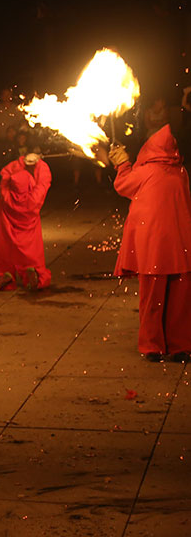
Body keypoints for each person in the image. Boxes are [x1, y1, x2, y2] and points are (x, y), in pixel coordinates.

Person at [100, 122, 191, 362]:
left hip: (154, 247)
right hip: (180, 246)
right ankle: (180, 346)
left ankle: (152, 347)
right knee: (180, 299)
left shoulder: (146, 171)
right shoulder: (181, 171)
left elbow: (123, 186)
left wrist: (121, 164)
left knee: (152, 298)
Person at [0, 154, 52, 291]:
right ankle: (31, 271)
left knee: (2, 254)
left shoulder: (6, 196)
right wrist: (38, 163)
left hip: (7, 234)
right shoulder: (34, 199)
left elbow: (6, 175)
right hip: (28, 236)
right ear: (29, 184)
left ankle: (1, 274)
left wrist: (21, 162)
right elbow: (44, 181)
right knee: (31, 256)